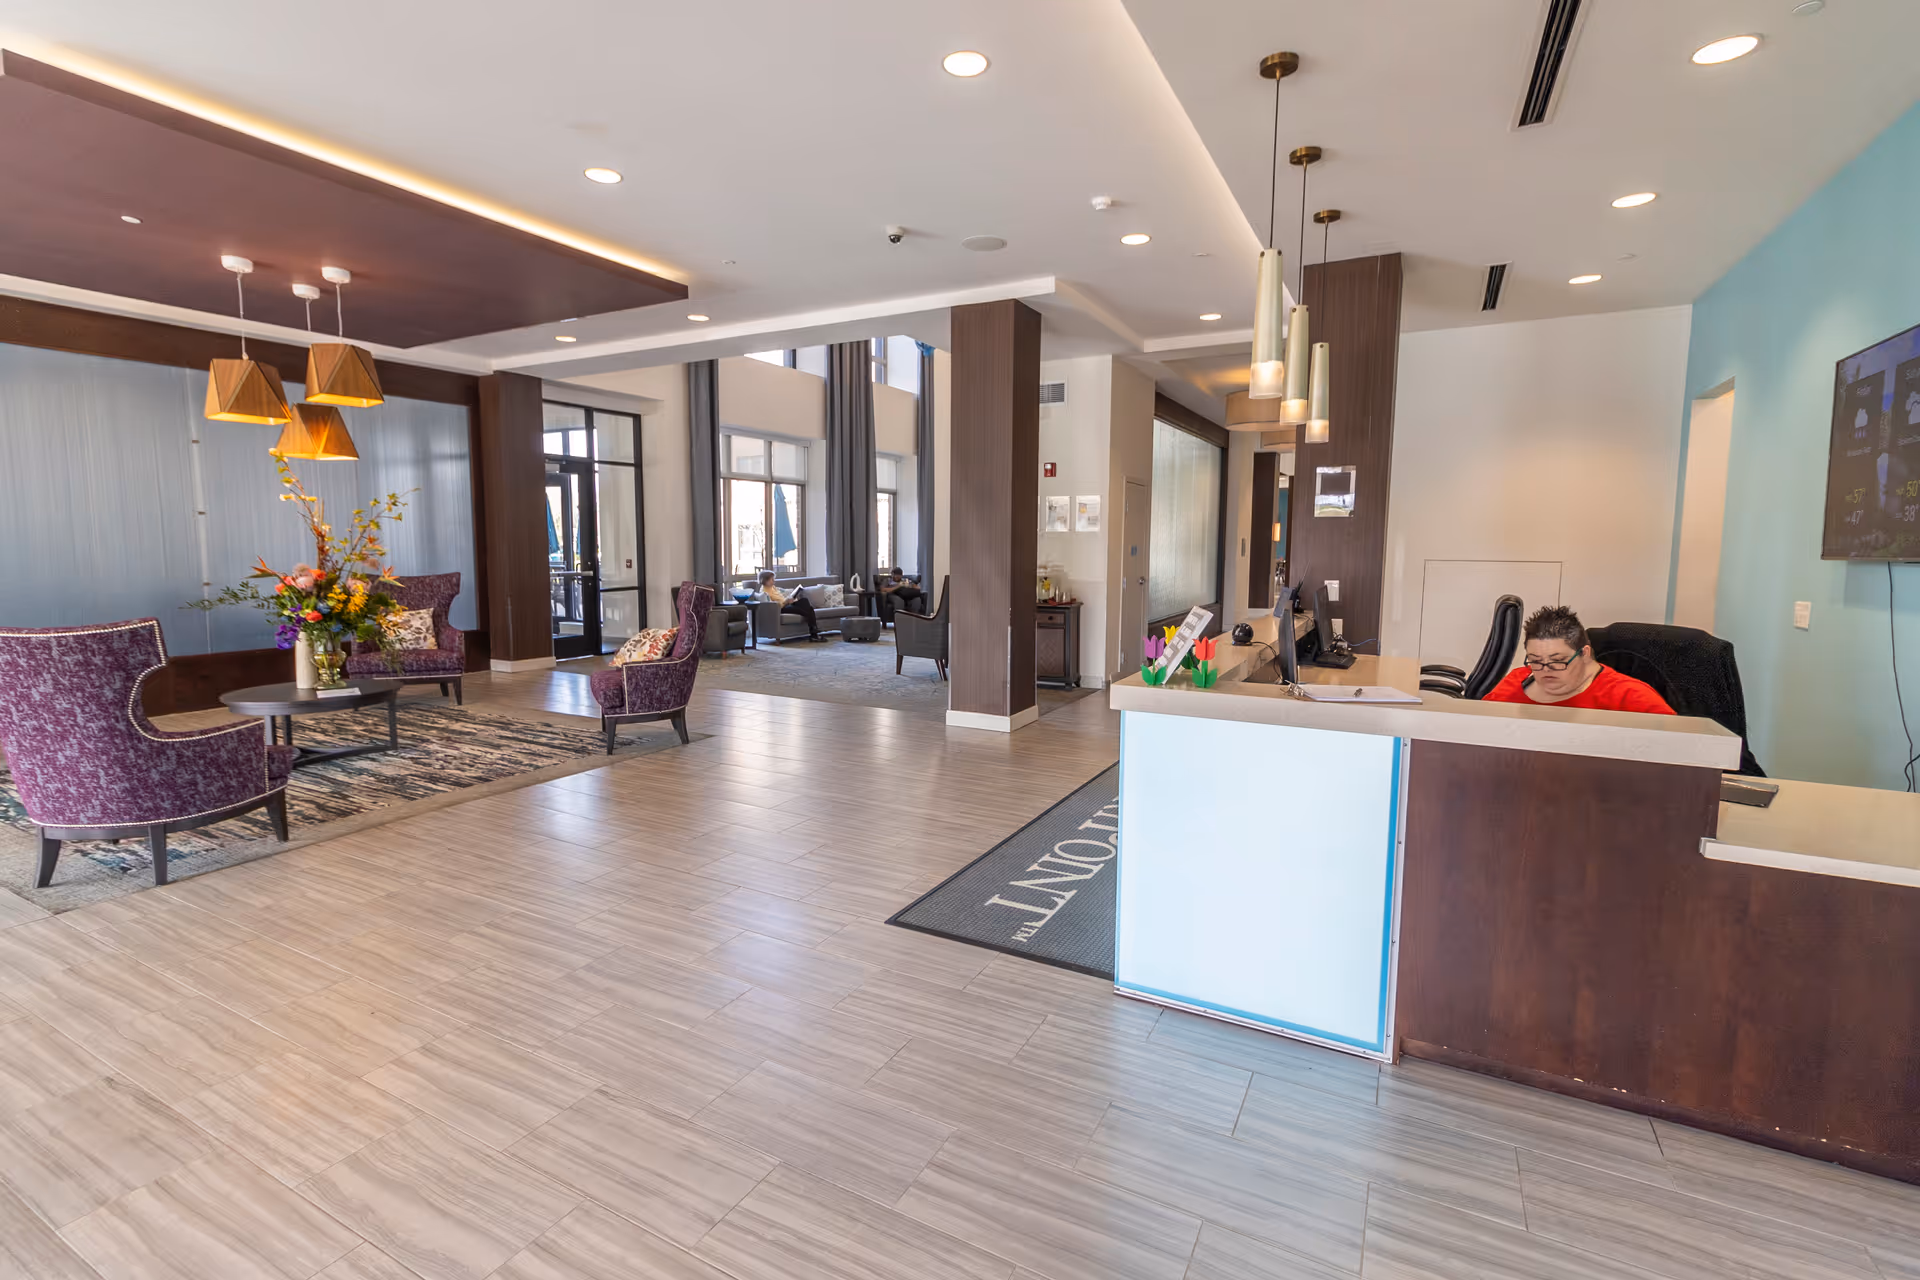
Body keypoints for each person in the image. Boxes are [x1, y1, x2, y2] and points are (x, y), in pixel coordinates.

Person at [1483, 605, 1675, 714]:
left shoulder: (1629, 697)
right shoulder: (1515, 683)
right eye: (1535, 660)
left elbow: (1679, 749)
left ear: (1584, 654)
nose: (1545, 670)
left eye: (1557, 661)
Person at [756, 570, 821, 641]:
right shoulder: (764, 592)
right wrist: (786, 602)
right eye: (772, 579)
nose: (774, 581)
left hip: (786, 604)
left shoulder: (772, 587)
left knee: (804, 601)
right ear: (766, 580)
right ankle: (814, 633)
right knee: (809, 610)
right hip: (781, 609)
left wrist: (790, 598)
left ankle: (814, 632)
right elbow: (772, 606)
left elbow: (781, 598)